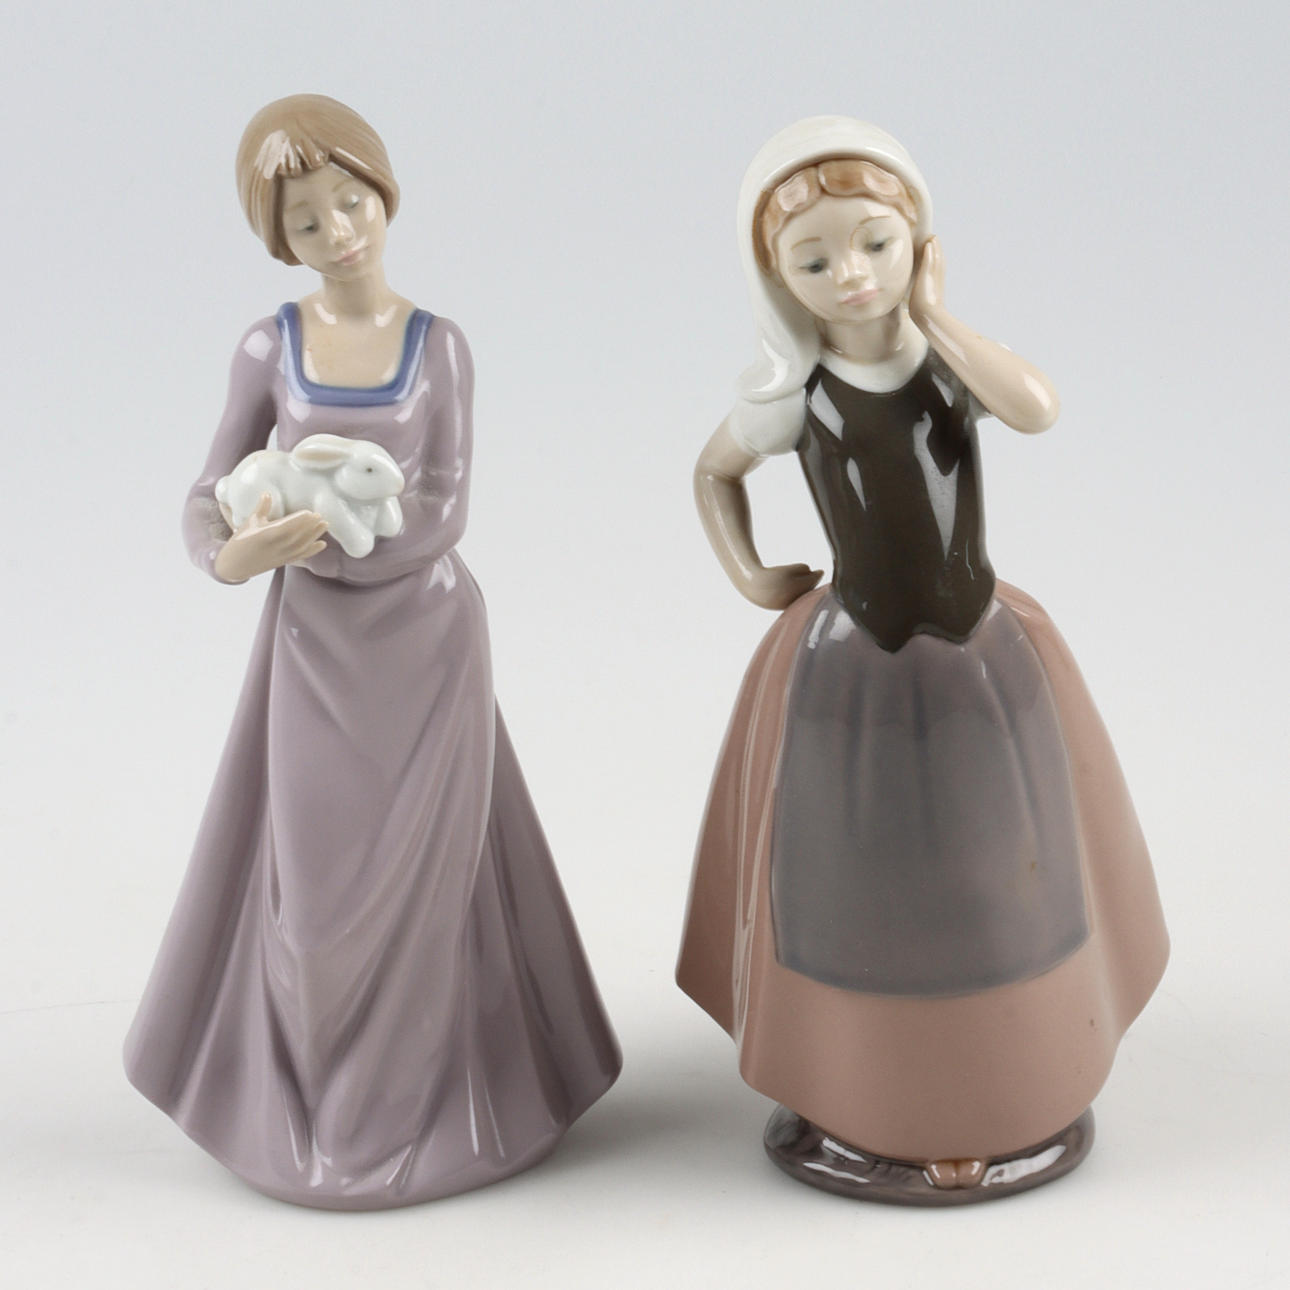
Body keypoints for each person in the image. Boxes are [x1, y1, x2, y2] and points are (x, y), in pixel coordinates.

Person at [124, 94, 620, 1210]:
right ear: (279, 239)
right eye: (306, 221)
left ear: (384, 195)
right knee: (316, 891)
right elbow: (207, 493)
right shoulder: (270, 346)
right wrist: (239, 555)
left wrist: (330, 542)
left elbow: (444, 507)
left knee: (431, 883)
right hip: (314, 654)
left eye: (350, 203)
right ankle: (318, 1118)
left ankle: (422, 1115)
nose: (337, 232)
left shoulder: (440, 348)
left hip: (428, 646)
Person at [677, 116, 1168, 1204]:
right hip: (852, 672)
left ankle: (1008, 1086)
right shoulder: (793, 395)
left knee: (1004, 881)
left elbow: (1036, 407)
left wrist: (938, 315)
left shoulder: (948, 360)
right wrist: (750, 574)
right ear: (777, 278)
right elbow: (713, 474)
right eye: (814, 260)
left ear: (918, 243)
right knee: (852, 893)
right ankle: (864, 1096)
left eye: (875, 243)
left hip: (979, 660)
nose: (851, 274)